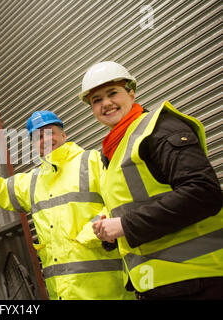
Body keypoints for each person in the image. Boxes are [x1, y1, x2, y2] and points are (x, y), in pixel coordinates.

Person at [79, 61, 223, 300]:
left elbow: (203, 192)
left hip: (199, 281)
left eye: (112, 93)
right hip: (157, 283)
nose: (105, 103)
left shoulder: (159, 130)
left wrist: (125, 225)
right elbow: (140, 204)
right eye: (96, 100)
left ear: (131, 93)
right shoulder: (114, 150)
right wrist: (109, 229)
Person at [0, 110, 135, 300]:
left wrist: (92, 232)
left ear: (63, 135)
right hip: (61, 294)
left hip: (108, 291)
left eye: (50, 133)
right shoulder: (32, 182)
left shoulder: (92, 161)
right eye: (38, 137)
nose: (45, 140)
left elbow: (120, 202)